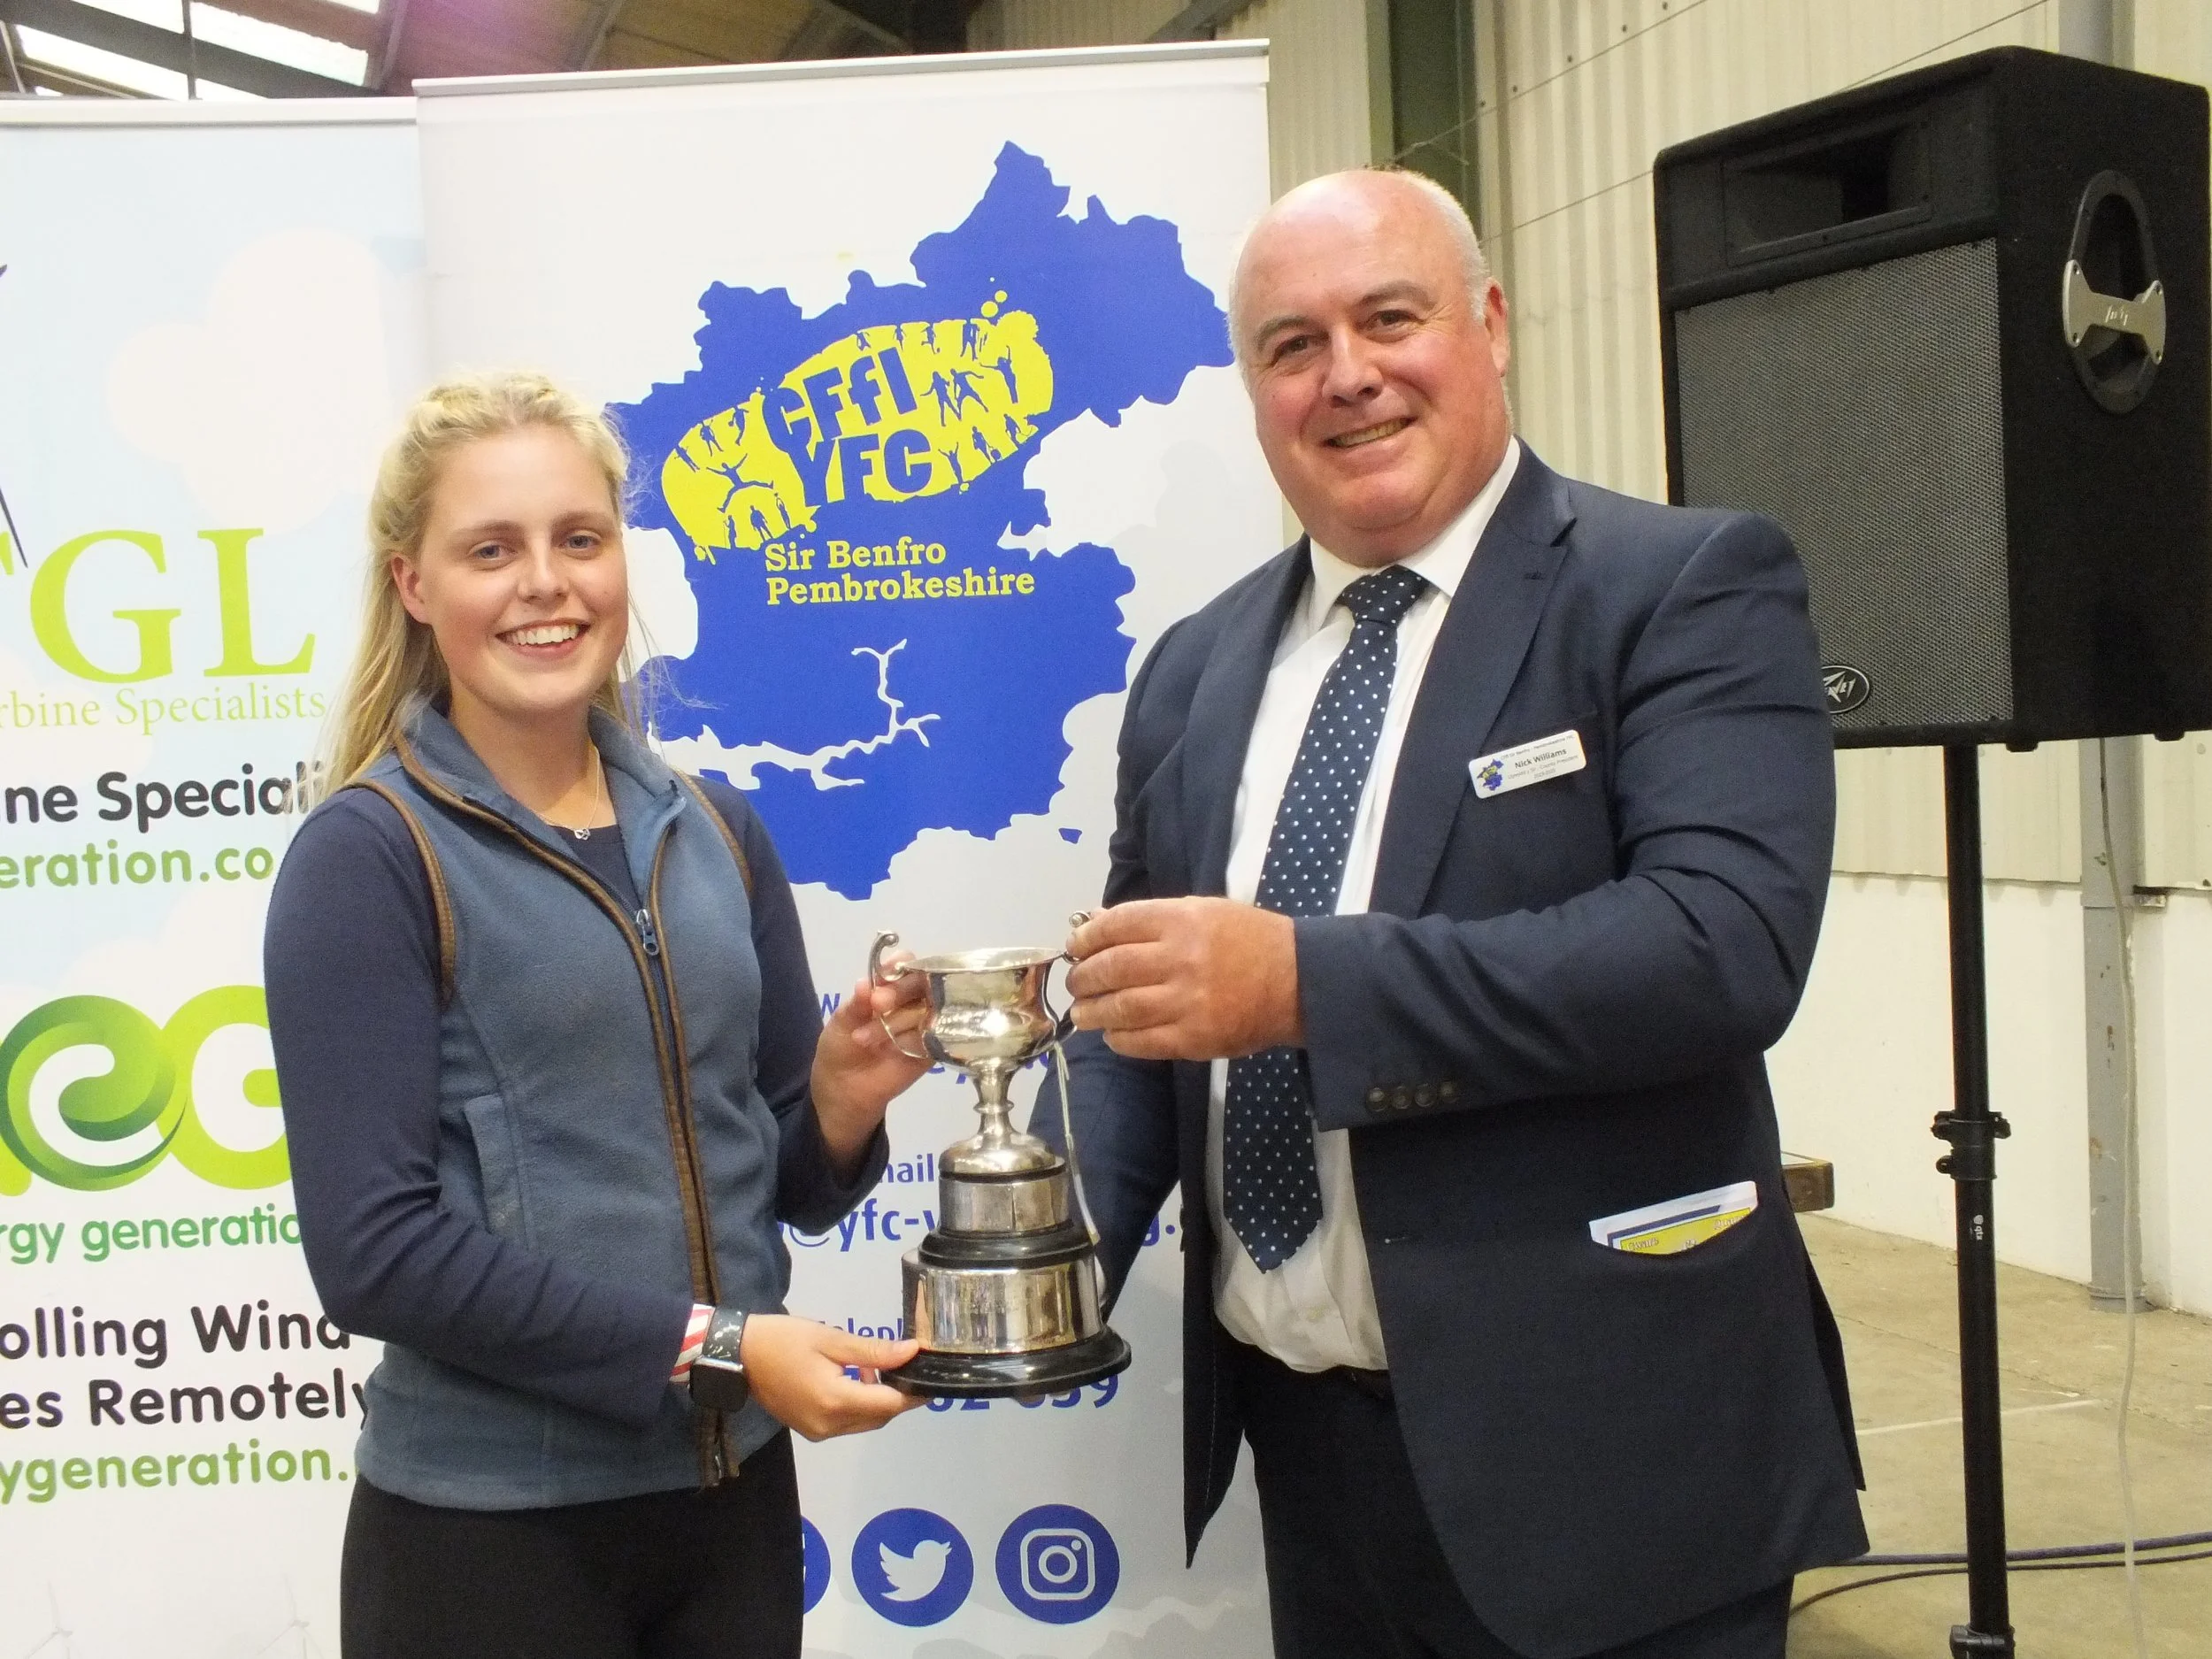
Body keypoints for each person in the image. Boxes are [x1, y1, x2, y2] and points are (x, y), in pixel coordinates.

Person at [1041, 169, 1869, 1659]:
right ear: (1253, 391)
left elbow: (1721, 943)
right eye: (1292, 345)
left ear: (1488, 326)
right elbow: (1139, 1010)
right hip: (1312, 1458)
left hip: (1613, 1459)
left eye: (1390, 317)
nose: (1346, 374)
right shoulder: (1192, 671)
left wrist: (1305, 987)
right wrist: (1046, 1249)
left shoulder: (1677, 584)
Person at [264, 372, 929, 1659]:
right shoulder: (369, 856)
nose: (546, 584)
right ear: (413, 584)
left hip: (728, 1511)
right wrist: (724, 1347)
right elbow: (373, 1252)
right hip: (488, 1540)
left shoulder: (719, 829)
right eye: (490, 550)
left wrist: (842, 1101)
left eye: (580, 538)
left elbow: (783, 1176)